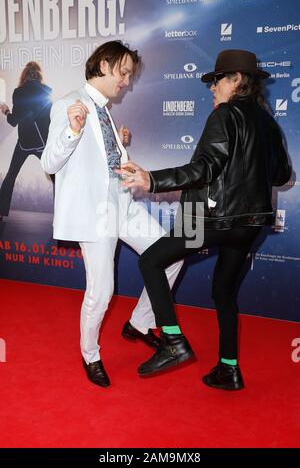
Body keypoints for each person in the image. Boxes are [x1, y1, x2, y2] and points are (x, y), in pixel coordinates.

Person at [116, 49, 292, 391]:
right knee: (224, 294)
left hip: (207, 217)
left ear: (237, 80)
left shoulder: (225, 115)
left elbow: (203, 170)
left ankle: (172, 341)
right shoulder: (269, 123)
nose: (212, 88)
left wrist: (151, 179)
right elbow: (282, 174)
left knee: (152, 260)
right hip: (251, 223)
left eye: (217, 80)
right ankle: (229, 369)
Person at [41, 41, 182, 388]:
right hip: (95, 213)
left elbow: (100, 161)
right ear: (104, 65)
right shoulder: (68, 104)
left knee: (173, 254)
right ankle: (90, 354)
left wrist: (121, 147)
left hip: (122, 203)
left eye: (130, 75)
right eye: (123, 72)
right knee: (101, 292)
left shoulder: (103, 110)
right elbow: (49, 162)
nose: (127, 82)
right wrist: (72, 130)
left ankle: (138, 322)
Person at [0, 62, 52, 220]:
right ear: (39, 74)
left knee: (11, 175)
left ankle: (1, 212)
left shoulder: (19, 92)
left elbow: (13, 121)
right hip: (42, 143)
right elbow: (50, 120)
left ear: (24, 75)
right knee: (57, 177)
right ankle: (65, 212)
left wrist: (6, 111)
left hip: (24, 143)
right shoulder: (47, 91)